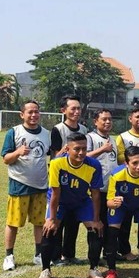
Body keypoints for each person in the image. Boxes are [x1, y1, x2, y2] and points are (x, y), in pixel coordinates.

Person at [37, 133, 104, 278]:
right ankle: (45, 269)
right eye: (77, 149)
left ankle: (94, 268)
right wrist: (52, 219)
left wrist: (96, 219)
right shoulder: (56, 163)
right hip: (60, 201)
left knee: (96, 229)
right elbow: (55, 193)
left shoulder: (94, 165)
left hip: (81, 201)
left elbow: (95, 194)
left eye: (84, 149)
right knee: (49, 229)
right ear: (67, 149)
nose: (81, 153)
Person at [1, 100, 50, 271]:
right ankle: (9, 256)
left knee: (39, 222)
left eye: (36, 111)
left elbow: (53, 155)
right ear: (22, 114)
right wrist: (18, 152)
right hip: (19, 184)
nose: (34, 115)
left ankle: (38, 254)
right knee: (13, 223)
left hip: (41, 185)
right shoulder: (13, 132)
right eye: (30, 112)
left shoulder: (46, 134)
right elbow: (6, 159)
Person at [105, 146, 139, 278]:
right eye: (134, 163)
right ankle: (111, 270)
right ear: (126, 163)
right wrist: (114, 203)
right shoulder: (116, 174)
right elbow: (109, 201)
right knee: (111, 233)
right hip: (121, 206)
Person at [50, 95, 88, 266]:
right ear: (63, 110)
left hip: (79, 180)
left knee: (74, 220)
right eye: (73, 108)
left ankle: (69, 254)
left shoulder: (85, 130)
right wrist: (64, 152)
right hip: (61, 180)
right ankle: (55, 256)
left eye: (78, 108)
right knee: (59, 219)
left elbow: (86, 156)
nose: (76, 111)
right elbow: (53, 158)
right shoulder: (58, 130)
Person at [116, 106, 139, 261]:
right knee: (125, 220)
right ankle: (125, 250)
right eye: (137, 116)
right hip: (127, 183)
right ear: (130, 118)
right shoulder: (122, 137)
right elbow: (119, 159)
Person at [85, 109, 118, 263]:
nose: (107, 122)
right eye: (104, 119)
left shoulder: (113, 140)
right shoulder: (90, 138)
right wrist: (102, 149)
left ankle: (108, 252)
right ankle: (94, 255)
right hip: (95, 190)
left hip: (111, 191)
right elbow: (83, 157)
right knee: (95, 222)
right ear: (95, 121)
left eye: (110, 119)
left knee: (109, 224)